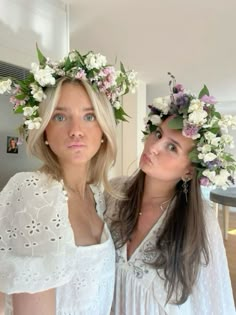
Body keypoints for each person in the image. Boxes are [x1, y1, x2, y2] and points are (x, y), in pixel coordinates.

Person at [0, 46, 137, 314]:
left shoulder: (96, 196)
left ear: (103, 130)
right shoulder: (32, 192)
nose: (76, 131)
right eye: (60, 117)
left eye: (89, 117)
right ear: (45, 130)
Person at [105, 74, 236, 314]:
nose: (153, 147)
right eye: (158, 134)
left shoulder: (201, 221)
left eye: (172, 147)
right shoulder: (114, 193)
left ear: (189, 170)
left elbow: (216, 300)